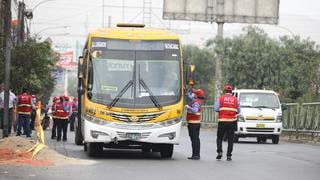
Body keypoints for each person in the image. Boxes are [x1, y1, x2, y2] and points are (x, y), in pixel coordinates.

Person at [214, 85, 240, 161]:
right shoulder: (236, 99)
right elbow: (238, 111)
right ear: (231, 92)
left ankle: (219, 152)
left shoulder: (220, 98)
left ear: (224, 91)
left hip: (222, 121)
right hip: (232, 121)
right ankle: (229, 156)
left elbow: (216, 108)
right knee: (230, 139)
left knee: (219, 138)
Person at [185, 88, 204, 160]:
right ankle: (195, 154)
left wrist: (188, 107)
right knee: (194, 139)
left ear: (197, 95)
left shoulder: (196, 102)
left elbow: (195, 111)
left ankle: (196, 155)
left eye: (195, 93)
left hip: (194, 123)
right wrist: (186, 92)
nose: (193, 94)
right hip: (193, 123)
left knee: (195, 139)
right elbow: (190, 97)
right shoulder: (195, 100)